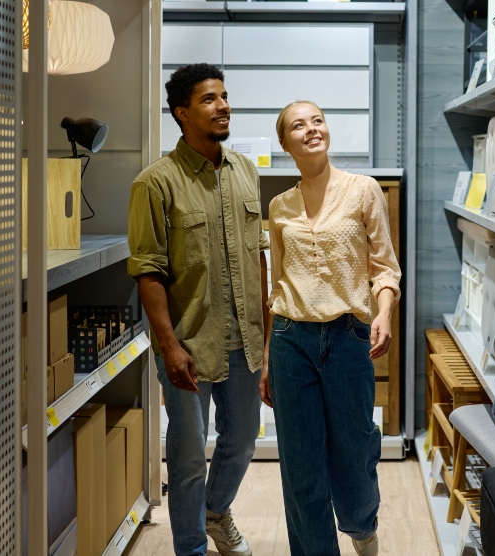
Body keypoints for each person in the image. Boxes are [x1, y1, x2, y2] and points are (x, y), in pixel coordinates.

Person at [127, 63, 269, 556]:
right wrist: (169, 345)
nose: (223, 106)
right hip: (188, 341)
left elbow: (258, 257)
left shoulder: (245, 171)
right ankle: (190, 548)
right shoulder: (155, 183)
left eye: (224, 96)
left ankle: (214, 512)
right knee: (188, 458)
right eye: (209, 99)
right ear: (182, 113)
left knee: (244, 440)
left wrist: (265, 337)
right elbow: (148, 271)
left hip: (244, 338)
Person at [260, 101, 402, 556]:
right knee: (301, 467)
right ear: (285, 144)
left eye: (317, 120)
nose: (311, 129)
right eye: (298, 125)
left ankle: (362, 526)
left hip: (347, 337)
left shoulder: (363, 190)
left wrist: (383, 313)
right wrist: (267, 359)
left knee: (355, 454)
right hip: (290, 340)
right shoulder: (279, 206)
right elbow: (277, 286)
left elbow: (384, 268)